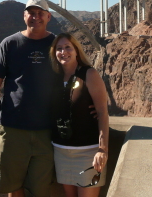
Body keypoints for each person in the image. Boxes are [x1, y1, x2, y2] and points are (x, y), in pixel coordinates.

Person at [0, 0, 60, 197]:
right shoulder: (10, 43)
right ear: (24, 16)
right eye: (31, 13)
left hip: (47, 131)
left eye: (40, 13)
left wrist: (92, 107)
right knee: (13, 188)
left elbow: (74, 77)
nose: (36, 17)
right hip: (13, 129)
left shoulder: (58, 45)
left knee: (42, 189)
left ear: (48, 17)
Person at [49, 33, 109, 197]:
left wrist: (102, 149)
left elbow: (103, 112)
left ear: (76, 50)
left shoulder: (89, 74)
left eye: (68, 47)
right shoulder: (55, 78)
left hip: (88, 152)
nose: (64, 52)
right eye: (59, 48)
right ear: (55, 53)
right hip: (61, 152)